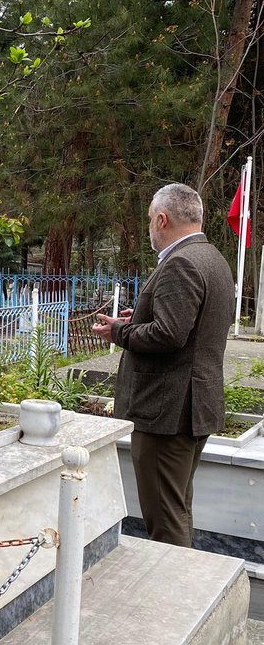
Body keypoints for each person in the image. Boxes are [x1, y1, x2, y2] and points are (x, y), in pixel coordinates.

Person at [91, 183, 234, 547]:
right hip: (192, 406)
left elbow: (169, 336)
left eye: (150, 221)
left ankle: (173, 598)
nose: (149, 228)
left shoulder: (181, 262)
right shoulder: (212, 258)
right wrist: (139, 317)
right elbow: (192, 325)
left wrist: (120, 333)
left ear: (161, 219)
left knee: (165, 519)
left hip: (166, 413)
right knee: (177, 506)